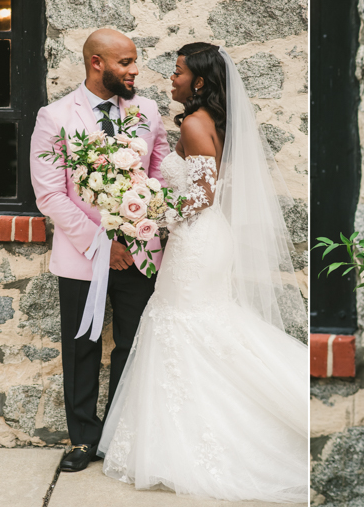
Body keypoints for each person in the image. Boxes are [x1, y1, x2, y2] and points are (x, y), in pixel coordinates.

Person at [97, 42, 308, 503]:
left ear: (199, 81)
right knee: (196, 326)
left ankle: (202, 440)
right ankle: (192, 432)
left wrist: (152, 216)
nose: (169, 79)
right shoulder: (211, 122)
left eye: (176, 73)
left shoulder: (194, 124)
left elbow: (202, 196)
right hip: (204, 238)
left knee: (183, 325)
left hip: (195, 238)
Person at [29, 29, 170, 472]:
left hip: (141, 252)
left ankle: (115, 435)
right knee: (82, 345)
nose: (134, 70)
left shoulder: (147, 110)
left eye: (133, 61)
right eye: (125, 62)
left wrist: (148, 215)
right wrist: (100, 244)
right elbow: (50, 195)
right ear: (97, 64)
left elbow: (161, 167)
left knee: (132, 344)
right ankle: (82, 440)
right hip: (82, 255)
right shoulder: (54, 118)